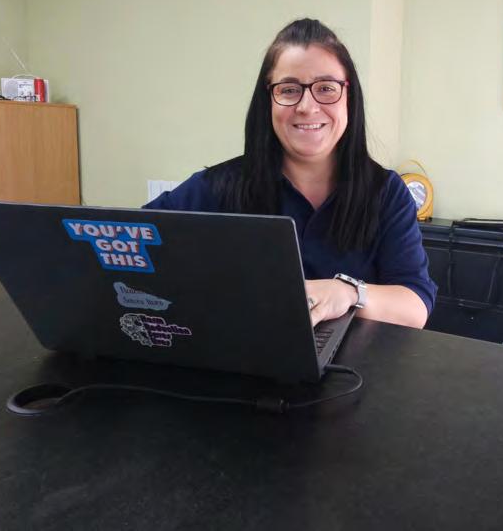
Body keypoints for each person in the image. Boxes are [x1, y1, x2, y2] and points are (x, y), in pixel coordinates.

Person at [145, 18, 437, 329]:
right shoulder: (218, 186)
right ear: (268, 101)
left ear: (349, 97)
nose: (307, 106)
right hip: (246, 356)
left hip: (359, 360)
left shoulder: (386, 191)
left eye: (326, 88)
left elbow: (415, 306)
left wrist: (349, 292)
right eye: (289, 90)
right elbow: (132, 243)